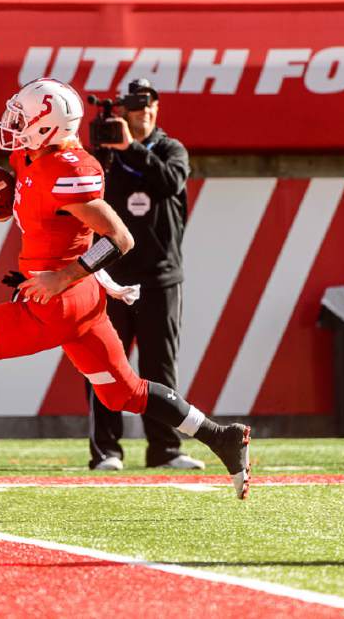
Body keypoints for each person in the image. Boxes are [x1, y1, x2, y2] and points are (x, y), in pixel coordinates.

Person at [0, 78, 250, 499]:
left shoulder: (72, 169)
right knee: (127, 393)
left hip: (55, 303)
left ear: (48, 124)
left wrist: (60, 276)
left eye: (23, 117)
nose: (13, 124)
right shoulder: (31, 156)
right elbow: (16, 195)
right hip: (80, 303)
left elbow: (120, 238)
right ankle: (223, 437)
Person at [85, 78, 202, 471]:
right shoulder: (107, 156)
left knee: (160, 366)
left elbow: (169, 181)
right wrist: (110, 151)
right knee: (105, 365)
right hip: (113, 277)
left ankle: (165, 449)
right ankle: (106, 450)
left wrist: (130, 147)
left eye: (150, 105)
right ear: (122, 112)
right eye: (136, 107)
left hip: (161, 276)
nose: (145, 112)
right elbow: (88, 195)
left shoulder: (172, 149)